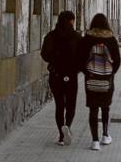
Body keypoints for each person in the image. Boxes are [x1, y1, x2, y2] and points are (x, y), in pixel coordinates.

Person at [78, 14, 121, 151]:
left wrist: (88, 73)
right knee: (105, 107)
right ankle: (105, 135)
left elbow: (80, 60)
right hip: (107, 80)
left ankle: (94, 141)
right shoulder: (111, 39)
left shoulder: (87, 39)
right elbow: (117, 60)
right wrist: (109, 73)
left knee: (93, 108)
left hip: (91, 79)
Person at [41, 11, 81, 146]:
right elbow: (83, 56)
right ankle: (67, 127)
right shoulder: (76, 37)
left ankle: (60, 135)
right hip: (71, 75)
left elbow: (44, 54)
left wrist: (55, 60)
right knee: (71, 105)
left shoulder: (51, 36)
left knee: (59, 105)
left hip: (56, 75)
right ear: (71, 21)